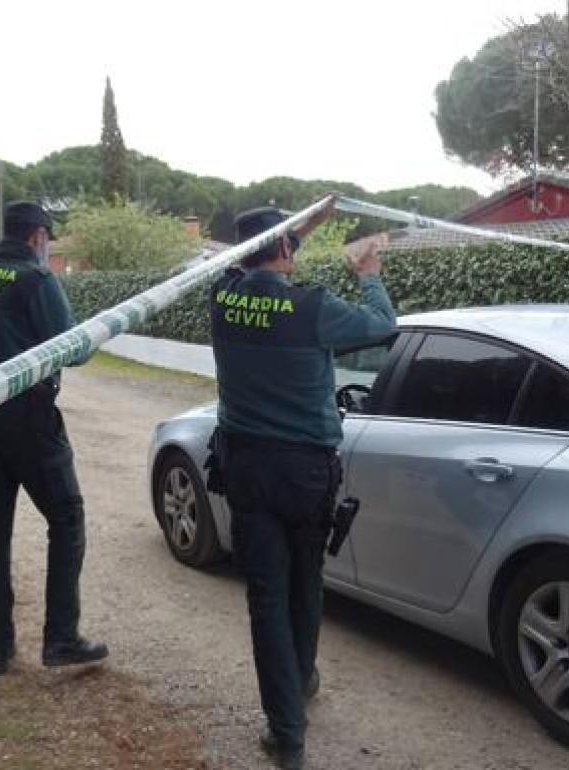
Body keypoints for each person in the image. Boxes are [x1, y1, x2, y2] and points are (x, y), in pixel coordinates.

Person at [209, 203, 396, 769]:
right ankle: (303, 680)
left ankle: (286, 733)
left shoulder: (222, 299)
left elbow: (245, 265)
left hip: (247, 468)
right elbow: (383, 327)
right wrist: (368, 275)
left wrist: (293, 234)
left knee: (266, 597)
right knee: (305, 584)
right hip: (306, 472)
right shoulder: (312, 307)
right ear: (286, 251)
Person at [0, 201, 107, 674]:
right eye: (49, 240)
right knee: (66, 517)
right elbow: (70, 348)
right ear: (38, 237)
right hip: (28, 419)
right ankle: (61, 638)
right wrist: (96, 331)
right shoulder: (37, 280)